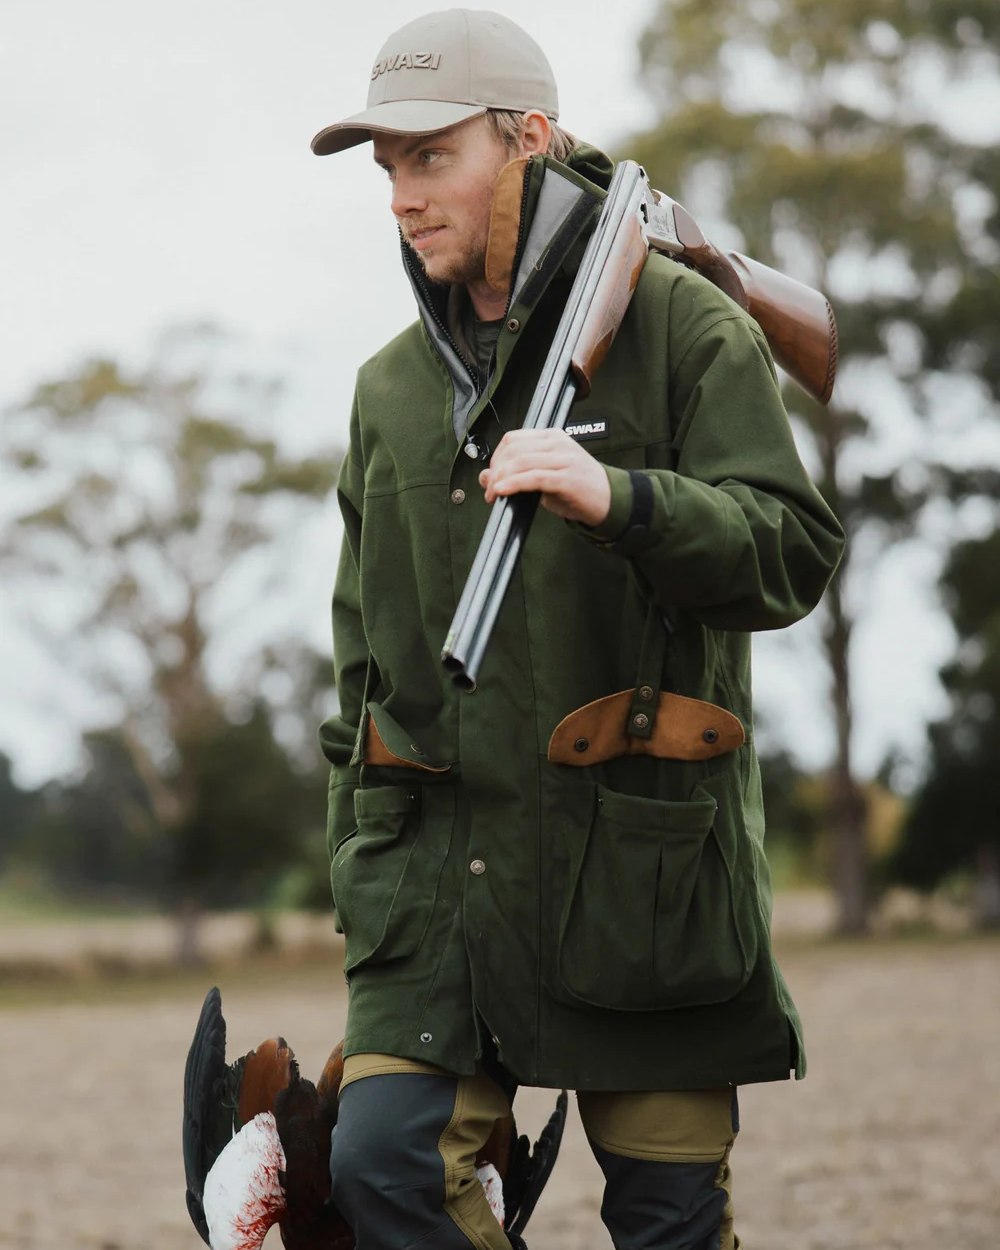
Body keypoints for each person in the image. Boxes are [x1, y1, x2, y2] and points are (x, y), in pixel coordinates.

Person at [313, 10, 845, 1249]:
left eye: (430, 155)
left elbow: (792, 552)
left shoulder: (686, 327)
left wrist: (624, 497)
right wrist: (357, 865)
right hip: (435, 899)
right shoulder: (388, 388)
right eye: (386, 166)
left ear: (529, 139)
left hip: (638, 883)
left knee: (666, 1220)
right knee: (379, 1171)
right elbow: (361, 664)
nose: (400, 194)